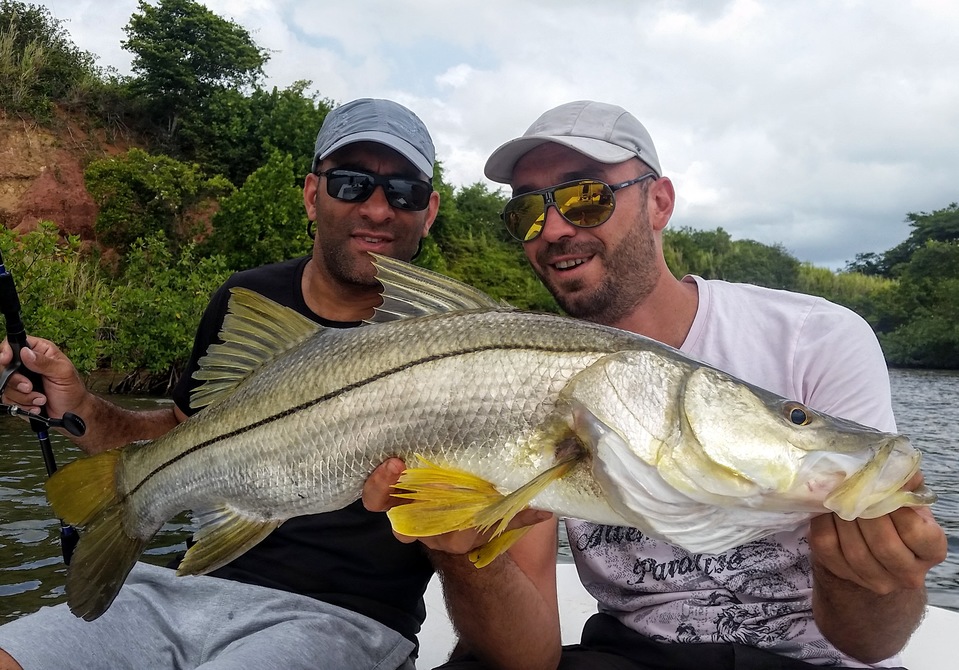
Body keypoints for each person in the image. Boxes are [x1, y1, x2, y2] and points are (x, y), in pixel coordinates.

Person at [363, 100, 948, 670]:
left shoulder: (815, 338)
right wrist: (463, 557)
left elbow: (870, 644)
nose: (555, 228)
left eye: (585, 196)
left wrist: (876, 579)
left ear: (660, 202)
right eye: (527, 213)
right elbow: (527, 658)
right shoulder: (517, 379)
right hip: (628, 652)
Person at [0, 98, 441, 670]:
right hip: (184, 590)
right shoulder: (246, 300)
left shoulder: (453, 335)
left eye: (402, 191)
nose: (378, 209)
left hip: (343, 619)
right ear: (313, 195)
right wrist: (77, 405)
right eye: (352, 183)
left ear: (428, 212)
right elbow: (182, 439)